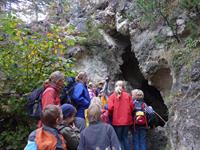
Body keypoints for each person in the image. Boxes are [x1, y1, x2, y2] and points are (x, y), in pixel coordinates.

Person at [108, 80, 134, 150]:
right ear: (123, 87)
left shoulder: (112, 96)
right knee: (125, 138)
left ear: (115, 87)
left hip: (117, 121)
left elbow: (110, 108)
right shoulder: (128, 96)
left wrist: (111, 115)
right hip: (127, 121)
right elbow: (132, 107)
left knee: (119, 139)